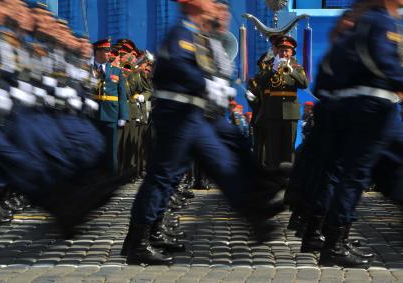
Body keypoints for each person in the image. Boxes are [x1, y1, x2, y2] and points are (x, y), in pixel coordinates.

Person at [122, 0, 285, 265]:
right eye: (208, 3)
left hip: (192, 115)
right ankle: (137, 243)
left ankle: (257, 211)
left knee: (215, 166)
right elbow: (175, 65)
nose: (213, 7)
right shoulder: (182, 33)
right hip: (177, 114)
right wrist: (206, 85)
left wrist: (213, 88)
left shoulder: (197, 36)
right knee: (163, 177)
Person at [301, 0, 403, 267]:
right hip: (374, 107)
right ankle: (332, 241)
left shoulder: (367, 24)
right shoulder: (381, 22)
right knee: (353, 175)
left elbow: (324, 81)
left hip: (354, 107)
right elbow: (383, 61)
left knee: (365, 173)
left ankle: (332, 239)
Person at [247, 35, 308, 168]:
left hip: (291, 112)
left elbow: (304, 84)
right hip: (273, 112)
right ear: (278, 52)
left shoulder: (297, 67)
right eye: (281, 50)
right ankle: (273, 179)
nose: (284, 53)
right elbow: (260, 84)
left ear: (292, 52)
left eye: (287, 50)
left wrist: (291, 71)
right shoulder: (269, 66)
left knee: (289, 148)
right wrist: (273, 69)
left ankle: (287, 180)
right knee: (272, 148)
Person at [90, 39, 129, 175]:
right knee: (93, 148)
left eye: (108, 51)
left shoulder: (116, 71)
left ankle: (110, 177)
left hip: (111, 114)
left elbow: (122, 94)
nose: (109, 53)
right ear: (98, 52)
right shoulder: (89, 69)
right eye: (106, 51)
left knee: (111, 150)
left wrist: (123, 116)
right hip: (92, 114)